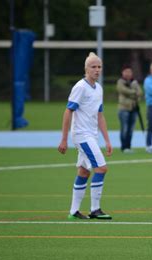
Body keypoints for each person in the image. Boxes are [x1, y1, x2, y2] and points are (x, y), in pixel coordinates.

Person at [58, 52, 113, 220]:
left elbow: (100, 115)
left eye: (99, 67)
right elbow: (68, 111)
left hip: (91, 135)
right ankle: (95, 209)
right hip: (82, 135)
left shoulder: (99, 89)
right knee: (102, 168)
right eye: (93, 67)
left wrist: (107, 140)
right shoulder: (80, 87)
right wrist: (64, 139)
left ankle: (73, 212)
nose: (97, 70)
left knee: (83, 172)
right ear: (86, 69)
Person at [116, 65, 142, 153]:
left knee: (131, 129)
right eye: (126, 71)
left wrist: (134, 93)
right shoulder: (120, 81)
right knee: (124, 128)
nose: (128, 73)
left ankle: (129, 147)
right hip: (124, 109)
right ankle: (124, 147)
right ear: (122, 72)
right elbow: (123, 91)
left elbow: (140, 92)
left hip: (134, 108)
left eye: (129, 72)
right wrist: (134, 92)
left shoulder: (134, 82)